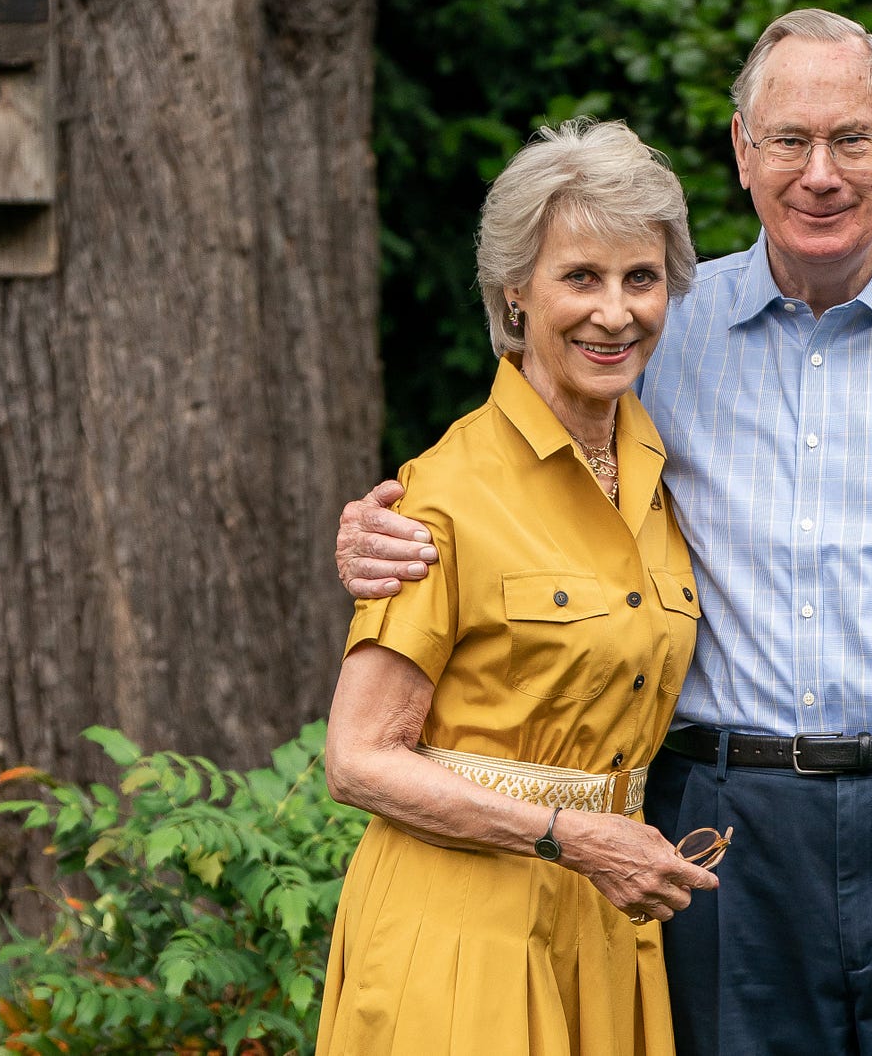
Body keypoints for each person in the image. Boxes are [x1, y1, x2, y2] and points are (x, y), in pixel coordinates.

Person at [336, 9, 872, 1055]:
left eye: (851, 139)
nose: (818, 173)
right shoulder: (654, 334)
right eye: (787, 140)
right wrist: (381, 537)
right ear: (742, 155)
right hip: (725, 837)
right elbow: (519, 485)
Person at [315, 117, 723, 1056]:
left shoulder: (661, 477)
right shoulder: (442, 492)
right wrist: (571, 837)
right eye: (580, 278)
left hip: (607, 930)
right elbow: (358, 759)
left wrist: (596, 848)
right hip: (460, 932)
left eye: (641, 279)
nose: (614, 313)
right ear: (515, 292)